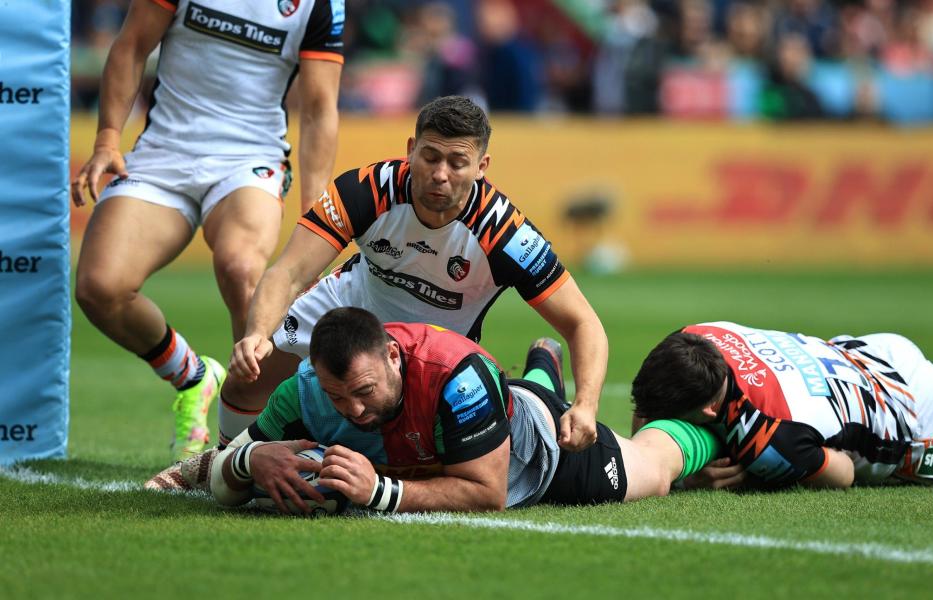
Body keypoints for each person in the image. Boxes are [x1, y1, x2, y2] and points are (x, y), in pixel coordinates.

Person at [218, 95, 607, 456]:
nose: (440, 174)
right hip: (350, 306)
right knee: (247, 380)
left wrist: (586, 405)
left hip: (434, 347)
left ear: (481, 167)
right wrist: (255, 335)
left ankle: (541, 374)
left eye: (457, 162)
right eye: (430, 157)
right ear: (410, 150)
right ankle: (220, 462)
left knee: (417, 450)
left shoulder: (505, 234)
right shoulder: (364, 191)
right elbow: (287, 272)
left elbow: (583, 322)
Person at [70, 0, 344, 460]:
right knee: (100, 287)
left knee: (241, 268)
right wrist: (107, 140)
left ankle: (254, 442)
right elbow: (132, 45)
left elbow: (319, 108)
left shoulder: (318, 4)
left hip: (250, 157)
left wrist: (313, 219)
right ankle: (194, 377)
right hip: (164, 152)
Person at [207, 307, 720, 513]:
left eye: (363, 390)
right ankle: (540, 370)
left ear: (392, 354)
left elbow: (488, 492)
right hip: (481, 417)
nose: (354, 409)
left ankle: (726, 435)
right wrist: (248, 461)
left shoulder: (457, 374)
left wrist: (378, 492)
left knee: (654, 473)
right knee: (523, 393)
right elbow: (223, 469)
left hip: (534, 453)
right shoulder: (304, 392)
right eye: (338, 397)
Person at [631, 321, 933, 489]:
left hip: (919, 417)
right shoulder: (696, 336)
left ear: (709, 411)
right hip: (867, 352)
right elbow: (647, 404)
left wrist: (760, 474)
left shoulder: (765, 436)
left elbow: (843, 473)